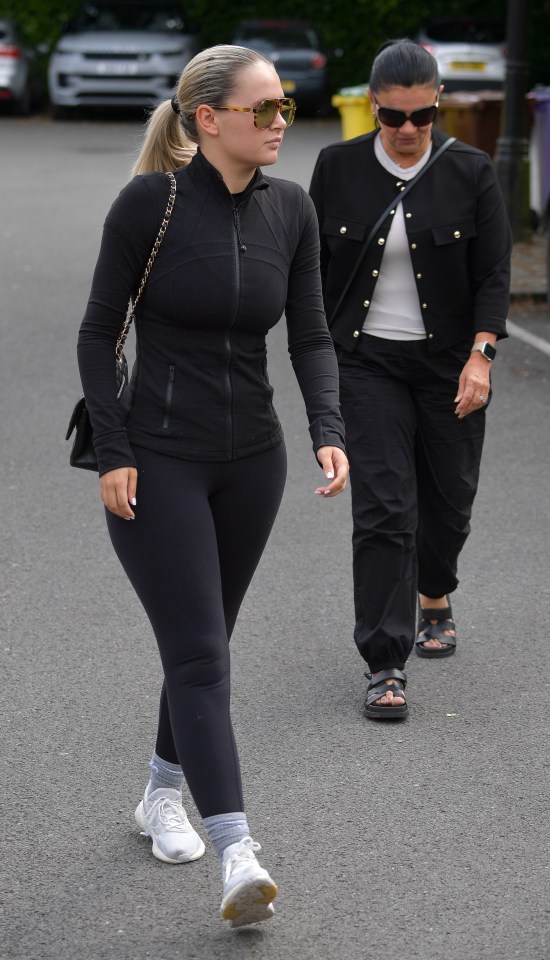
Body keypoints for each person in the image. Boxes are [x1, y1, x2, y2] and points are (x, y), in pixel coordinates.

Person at [76, 44, 348, 927]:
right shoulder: (148, 206)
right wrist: (113, 449)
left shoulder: (292, 210)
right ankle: (237, 850)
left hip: (251, 464)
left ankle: (160, 793)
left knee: (206, 645)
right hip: (157, 460)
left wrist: (328, 431)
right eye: (262, 109)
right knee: (199, 655)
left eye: (284, 110)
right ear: (208, 119)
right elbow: (95, 333)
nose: (278, 122)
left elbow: (309, 334)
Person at [309, 39, 511, 720]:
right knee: (385, 508)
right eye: (392, 117)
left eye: (421, 117)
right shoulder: (336, 168)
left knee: (448, 500)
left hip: (448, 361)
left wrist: (481, 355)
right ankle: (384, 662)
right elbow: (308, 272)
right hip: (365, 363)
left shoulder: (471, 171)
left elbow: (492, 274)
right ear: (372, 106)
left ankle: (435, 592)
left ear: (437, 108)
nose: (405, 131)